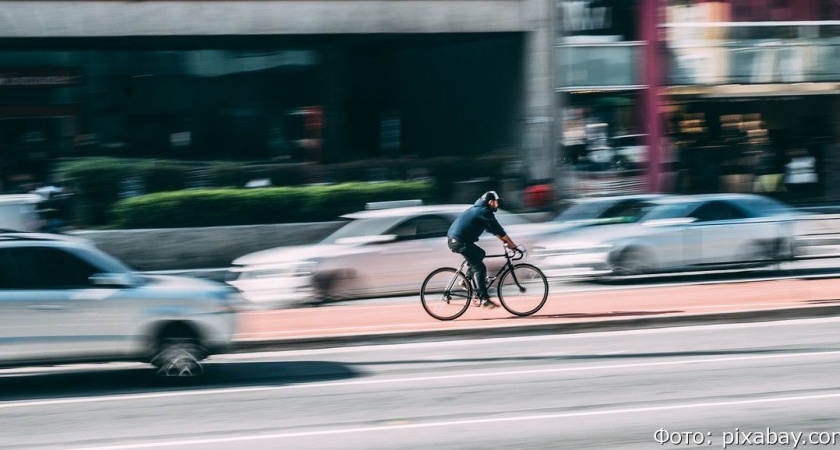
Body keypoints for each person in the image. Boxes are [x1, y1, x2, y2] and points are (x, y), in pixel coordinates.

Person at [446, 191, 517, 309]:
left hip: (457, 240)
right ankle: (484, 299)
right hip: (459, 242)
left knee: (480, 253)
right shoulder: (484, 211)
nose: (497, 205)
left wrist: (506, 242)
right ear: (490, 202)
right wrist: (512, 244)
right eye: (496, 202)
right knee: (480, 268)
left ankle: (466, 280)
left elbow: (494, 231)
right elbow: (498, 229)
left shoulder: (478, 209)